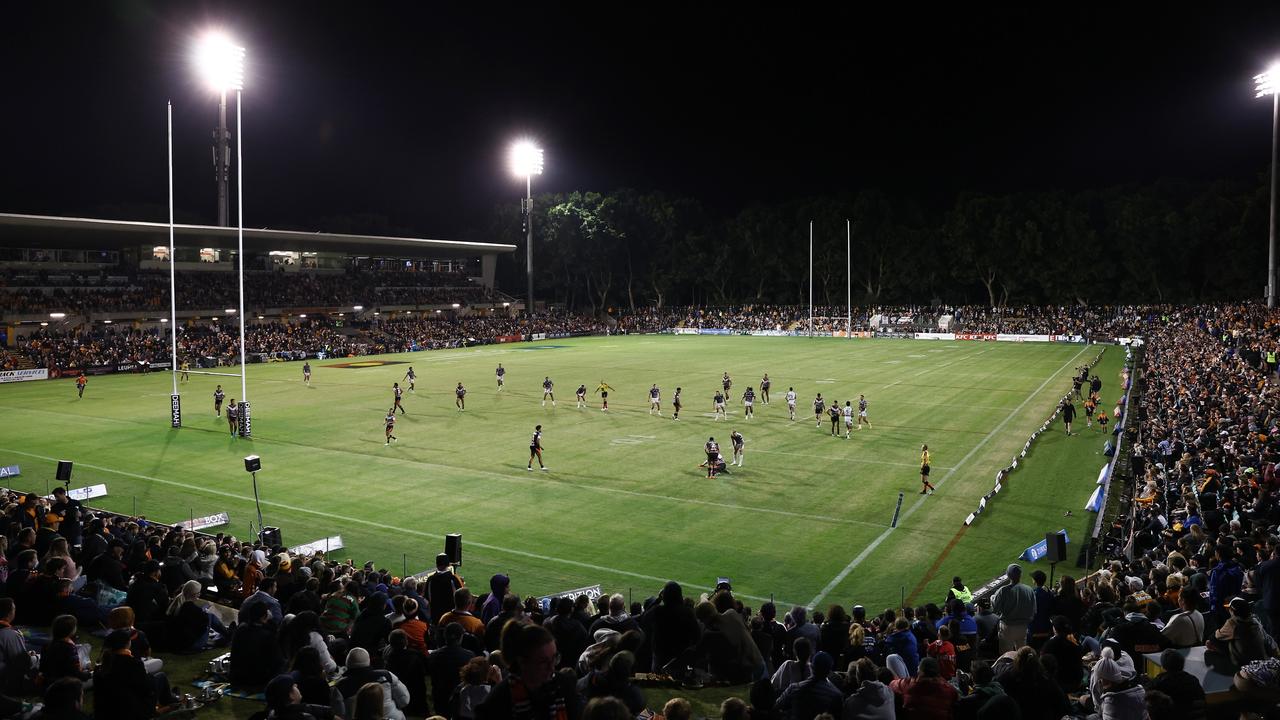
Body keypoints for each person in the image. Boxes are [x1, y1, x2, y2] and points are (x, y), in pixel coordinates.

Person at [476, 623, 575, 720]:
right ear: (522, 661)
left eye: (554, 658)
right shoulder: (498, 702)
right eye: (543, 661)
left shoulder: (563, 685)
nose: (551, 667)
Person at [336, 647, 411, 720]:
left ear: (347, 663)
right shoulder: (386, 675)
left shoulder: (340, 686)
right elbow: (404, 700)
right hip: (394, 716)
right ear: (369, 661)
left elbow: (339, 714)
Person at [231, 601, 285, 688]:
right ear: (264, 617)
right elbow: (278, 662)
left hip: (237, 678)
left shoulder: (241, 630)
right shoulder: (268, 636)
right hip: (258, 681)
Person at [776, 650, 843, 720]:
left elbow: (777, 706)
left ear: (811, 667)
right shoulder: (836, 695)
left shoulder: (794, 688)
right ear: (829, 671)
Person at [991, 563, 1036, 653]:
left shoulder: (1003, 590)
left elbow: (995, 609)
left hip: (1008, 627)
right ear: (1020, 574)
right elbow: (1033, 611)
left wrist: (992, 598)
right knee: (1022, 654)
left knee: (1007, 655)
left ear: (1008, 575)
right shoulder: (1029, 590)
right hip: (1023, 627)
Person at [425, 554, 464, 626]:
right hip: (451, 618)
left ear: (436, 564)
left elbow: (427, 598)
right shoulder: (453, 579)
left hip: (435, 617)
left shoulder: (430, 579)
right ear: (448, 564)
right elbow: (460, 599)